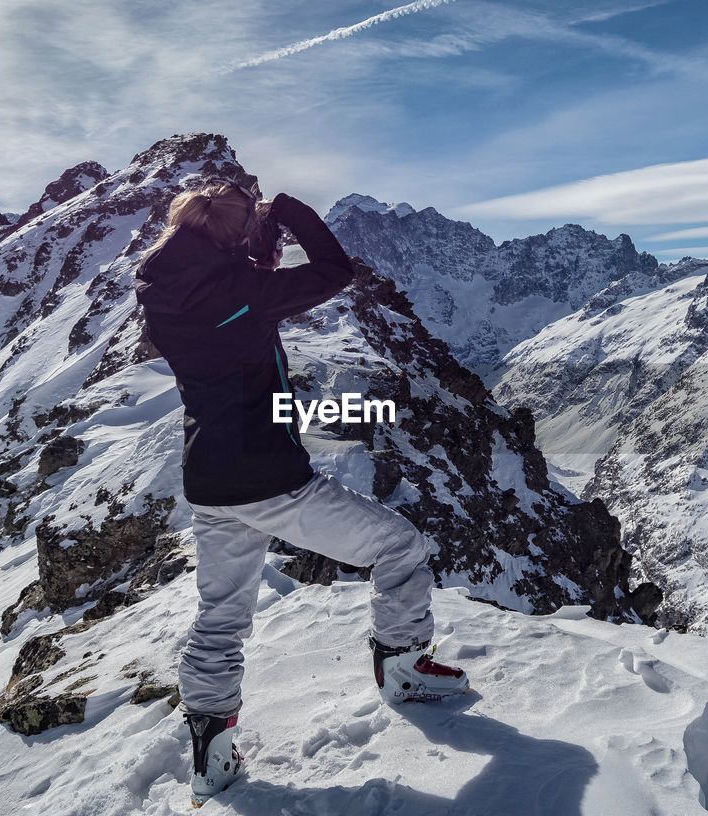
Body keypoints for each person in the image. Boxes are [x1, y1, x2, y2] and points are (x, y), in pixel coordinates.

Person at [134, 181, 469, 806]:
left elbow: (234, 296)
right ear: (233, 237)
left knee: (220, 618)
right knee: (399, 546)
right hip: (267, 477)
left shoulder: (162, 288)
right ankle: (402, 667)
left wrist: (248, 243)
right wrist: (290, 214)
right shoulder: (242, 292)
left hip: (207, 478)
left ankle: (211, 750)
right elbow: (332, 271)